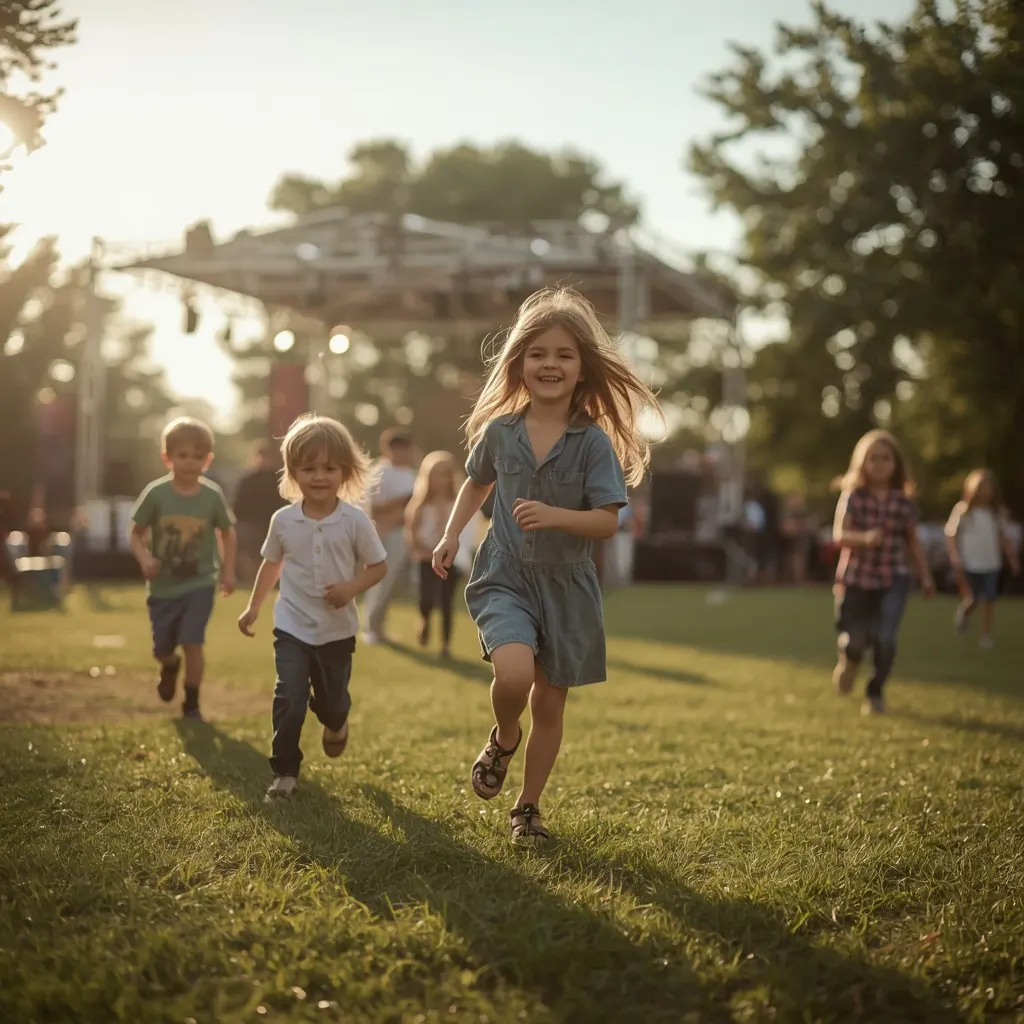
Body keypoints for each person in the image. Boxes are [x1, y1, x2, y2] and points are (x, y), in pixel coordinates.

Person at [431, 287, 660, 845]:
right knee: (511, 674)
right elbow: (476, 481)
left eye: (563, 355)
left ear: (583, 369)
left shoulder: (593, 444)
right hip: (505, 574)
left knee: (550, 703)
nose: (550, 364)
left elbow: (607, 522)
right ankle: (504, 736)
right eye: (538, 354)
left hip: (568, 588)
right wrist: (449, 533)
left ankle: (527, 808)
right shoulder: (500, 431)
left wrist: (556, 515)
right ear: (519, 364)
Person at [237, 415, 387, 803]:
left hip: (337, 630)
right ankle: (284, 774)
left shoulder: (354, 520)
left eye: (329, 468)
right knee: (289, 695)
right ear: (292, 472)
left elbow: (378, 567)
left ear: (345, 471)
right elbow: (272, 565)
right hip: (291, 625)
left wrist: (351, 587)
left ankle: (336, 723)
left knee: (333, 703)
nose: (319, 476)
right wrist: (254, 607)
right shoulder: (283, 521)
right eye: (308, 468)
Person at [129, 417, 236, 719]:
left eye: (198, 457)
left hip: (200, 583)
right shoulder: (156, 494)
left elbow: (227, 532)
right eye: (182, 455)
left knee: (193, 640)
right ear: (167, 457)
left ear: (208, 460)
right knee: (162, 648)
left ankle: (192, 704)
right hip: (162, 587)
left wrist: (227, 571)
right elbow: (136, 533)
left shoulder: (212, 496)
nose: (190, 463)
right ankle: (169, 665)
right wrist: (145, 558)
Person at [831, 429, 934, 716]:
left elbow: (912, 542)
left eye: (885, 458)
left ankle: (875, 694)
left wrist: (925, 575)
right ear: (861, 463)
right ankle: (849, 662)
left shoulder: (903, 501)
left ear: (896, 463)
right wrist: (863, 538)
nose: (879, 464)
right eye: (872, 458)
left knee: (886, 639)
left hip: (893, 578)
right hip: (856, 579)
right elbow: (839, 534)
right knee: (854, 642)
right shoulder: (853, 496)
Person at [945, 469, 1020, 648]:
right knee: (974, 599)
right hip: (970, 563)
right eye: (981, 487)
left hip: (991, 563)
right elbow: (950, 534)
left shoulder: (997, 514)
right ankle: (964, 613)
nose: (985, 491)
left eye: (988, 487)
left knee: (989, 599)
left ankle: (985, 636)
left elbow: (1003, 537)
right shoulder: (963, 511)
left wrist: (1012, 559)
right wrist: (954, 556)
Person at [405, 450, 463, 658]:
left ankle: (446, 645)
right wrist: (427, 551)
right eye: (437, 474)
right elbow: (412, 532)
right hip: (425, 558)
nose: (442, 480)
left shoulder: (457, 505)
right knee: (427, 597)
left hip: (450, 560)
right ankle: (424, 620)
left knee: (447, 601)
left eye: (446, 474)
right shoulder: (421, 504)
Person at [361, 429, 417, 643]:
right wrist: (405, 500)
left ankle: (379, 627)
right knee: (380, 581)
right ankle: (370, 628)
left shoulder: (409, 474)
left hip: (403, 533)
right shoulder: (380, 472)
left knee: (391, 583)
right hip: (385, 533)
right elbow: (374, 508)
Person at [234, 441, 286, 585]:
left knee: (270, 555)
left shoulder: (279, 481)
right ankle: (251, 580)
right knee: (249, 554)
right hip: (251, 524)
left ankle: (268, 581)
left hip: (271, 524)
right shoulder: (248, 480)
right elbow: (239, 504)